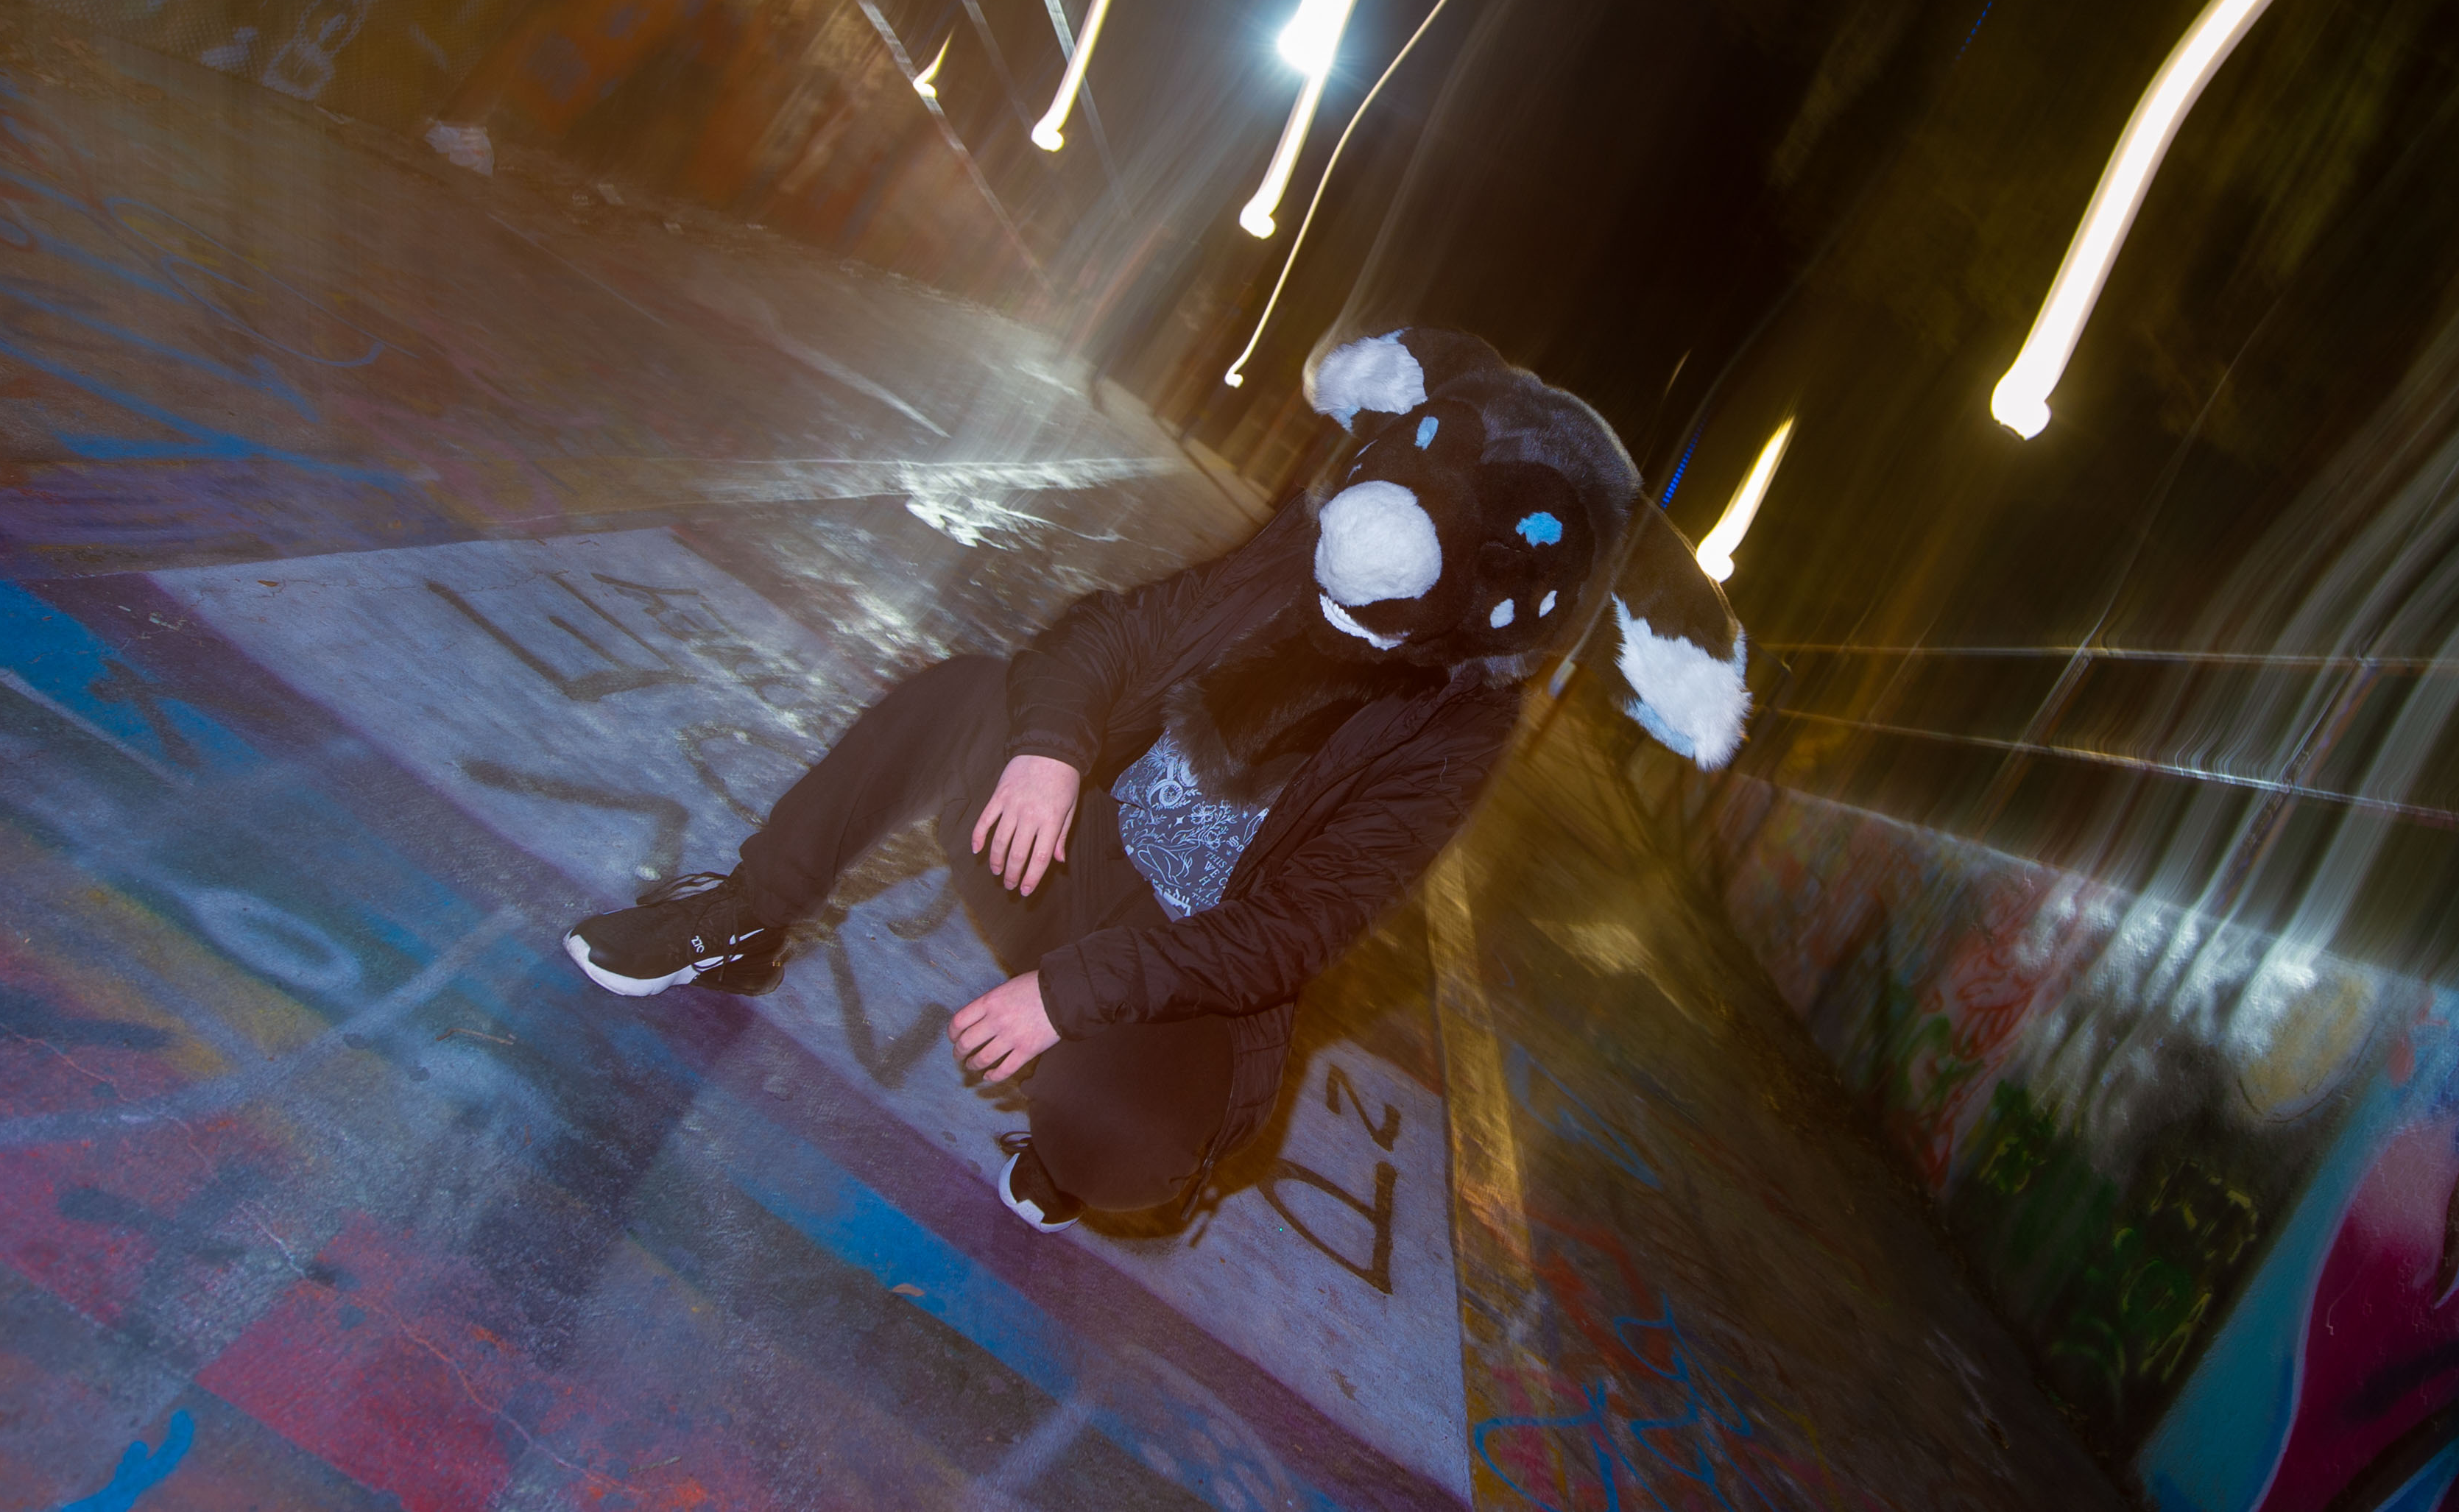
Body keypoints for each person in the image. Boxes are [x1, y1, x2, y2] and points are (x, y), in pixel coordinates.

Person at [562, 329, 1749, 1229]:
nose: (1365, 543)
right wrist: (1049, 749)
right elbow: (1116, 634)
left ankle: (1169, 1164)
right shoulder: (1301, 550)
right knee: (962, 696)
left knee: (1111, 1146)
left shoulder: (1456, 728)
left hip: (1186, 977)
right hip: (1068, 864)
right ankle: (742, 920)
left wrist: (1074, 996)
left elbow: (1291, 931)